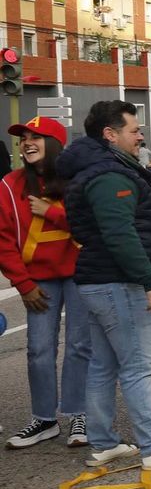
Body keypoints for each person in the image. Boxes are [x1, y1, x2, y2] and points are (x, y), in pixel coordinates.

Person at [58, 100, 151, 471]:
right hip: (120, 283)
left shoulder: (99, 168)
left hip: (102, 281)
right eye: (135, 130)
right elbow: (120, 234)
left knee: (103, 366)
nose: (141, 136)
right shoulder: (110, 175)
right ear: (110, 134)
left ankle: (104, 443)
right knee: (138, 367)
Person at [1, 116, 88, 450]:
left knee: (80, 346)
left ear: (54, 144)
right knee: (38, 350)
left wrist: (51, 213)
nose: (27, 143)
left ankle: (79, 413)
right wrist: (23, 284)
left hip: (80, 274)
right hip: (38, 280)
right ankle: (44, 419)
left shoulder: (78, 178)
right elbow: (3, 239)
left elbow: (92, 223)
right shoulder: (10, 184)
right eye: (23, 137)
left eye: (35, 137)